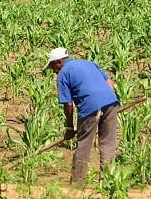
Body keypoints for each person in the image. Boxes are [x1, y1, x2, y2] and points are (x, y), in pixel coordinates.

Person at [44, 47, 119, 186]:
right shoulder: (88, 63)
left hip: (90, 107)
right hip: (111, 102)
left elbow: (68, 104)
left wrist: (69, 128)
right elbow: (109, 82)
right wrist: (106, 99)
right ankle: (109, 184)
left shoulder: (63, 74)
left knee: (83, 145)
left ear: (59, 62)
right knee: (108, 145)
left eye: (53, 66)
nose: (53, 71)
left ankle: (77, 185)